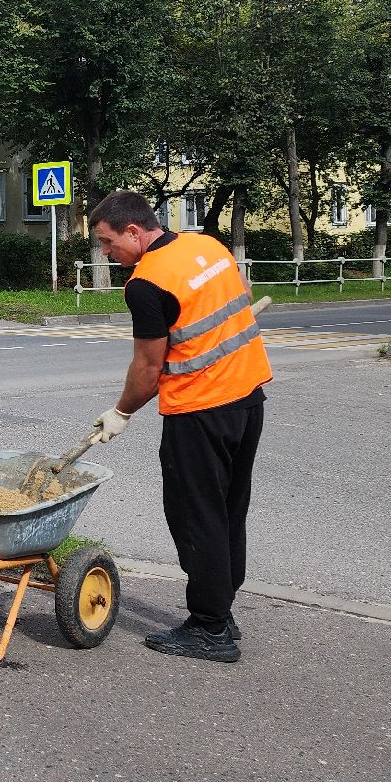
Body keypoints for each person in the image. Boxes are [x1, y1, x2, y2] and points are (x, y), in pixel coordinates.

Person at [87, 189, 271, 664]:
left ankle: (209, 629)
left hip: (199, 414)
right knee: (229, 511)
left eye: (109, 244)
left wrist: (121, 412)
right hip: (248, 400)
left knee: (197, 518)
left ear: (133, 231)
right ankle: (222, 611)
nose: (108, 255)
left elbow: (148, 370)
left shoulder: (146, 284)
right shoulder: (207, 245)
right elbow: (242, 298)